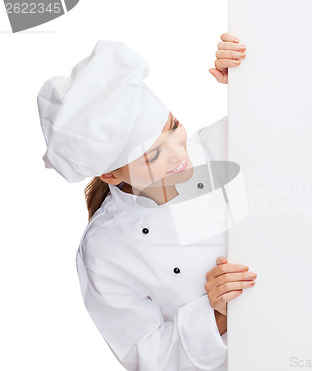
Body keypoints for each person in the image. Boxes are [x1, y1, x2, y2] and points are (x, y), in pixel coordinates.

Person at [37, 33, 255, 371]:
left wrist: (253, 79)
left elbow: (310, 124)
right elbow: (149, 356)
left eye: (173, 127)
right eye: (154, 155)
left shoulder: (224, 143)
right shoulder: (105, 251)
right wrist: (217, 314)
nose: (180, 153)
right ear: (111, 176)